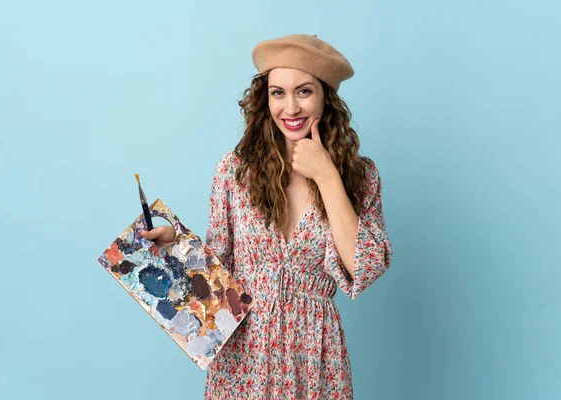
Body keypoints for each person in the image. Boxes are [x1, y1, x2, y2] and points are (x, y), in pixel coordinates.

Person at [142, 34, 393, 400]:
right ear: (265, 99)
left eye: (304, 91)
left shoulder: (361, 175)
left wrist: (326, 175)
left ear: (326, 96)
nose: (290, 108)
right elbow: (219, 274)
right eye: (278, 93)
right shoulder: (235, 171)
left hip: (314, 353)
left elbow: (365, 267)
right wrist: (176, 246)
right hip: (244, 352)